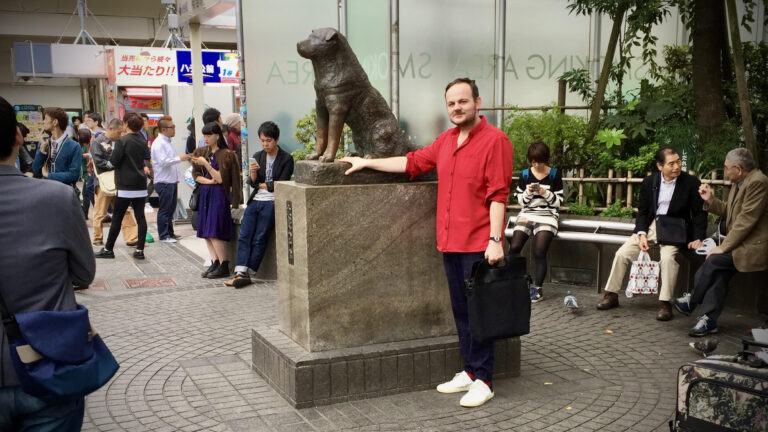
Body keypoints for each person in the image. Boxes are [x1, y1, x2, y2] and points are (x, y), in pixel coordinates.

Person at [342, 78, 513, 408]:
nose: (456, 108)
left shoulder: (495, 141)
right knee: (461, 312)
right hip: (449, 243)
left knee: (479, 312)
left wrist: (495, 240)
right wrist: (366, 161)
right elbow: (412, 162)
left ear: (478, 102)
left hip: (477, 243)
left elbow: (498, 195)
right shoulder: (446, 141)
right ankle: (470, 371)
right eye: (451, 103)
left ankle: (485, 379)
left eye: (463, 101)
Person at [0, 96, 95, 430]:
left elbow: (72, 171)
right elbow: (84, 272)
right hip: (49, 360)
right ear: (16, 136)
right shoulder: (56, 200)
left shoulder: (66, 149)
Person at [596, 146, 707, 321]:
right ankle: (611, 294)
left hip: (675, 230)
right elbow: (642, 211)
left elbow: (700, 213)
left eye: (678, 162)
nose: (677, 167)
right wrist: (641, 234)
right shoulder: (650, 182)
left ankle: (665, 303)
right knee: (622, 253)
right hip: (651, 227)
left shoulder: (691, 182)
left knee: (668, 259)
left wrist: (698, 238)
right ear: (660, 166)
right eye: (671, 164)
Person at [673, 148, 768, 336]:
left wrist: (722, 247)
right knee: (718, 273)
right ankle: (709, 320)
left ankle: (693, 300)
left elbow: (746, 220)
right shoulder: (739, 182)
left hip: (752, 247)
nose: (724, 171)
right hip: (739, 245)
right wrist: (710, 200)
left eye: (726, 168)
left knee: (715, 261)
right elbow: (729, 211)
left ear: (738, 169)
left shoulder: (758, 182)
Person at [225, 121, 294, 288]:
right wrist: (254, 174)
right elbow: (252, 183)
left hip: (271, 202)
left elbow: (281, 183)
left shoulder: (286, 158)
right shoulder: (258, 156)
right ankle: (240, 271)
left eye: (268, 140)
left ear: (276, 140)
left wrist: (264, 184)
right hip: (256, 201)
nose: (265, 144)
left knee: (260, 237)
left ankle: (248, 272)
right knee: (244, 235)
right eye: (262, 140)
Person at [509, 141, 564, 303]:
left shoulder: (554, 174)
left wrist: (544, 192)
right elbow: (521, 202)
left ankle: (537, 289)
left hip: (547, 215)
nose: (536, 165)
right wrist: (529, 192)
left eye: (539, 161)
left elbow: (559, 202)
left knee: (540, 251)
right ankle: (521, 280)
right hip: (527, 214)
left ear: (545, 159)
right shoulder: (525, 174)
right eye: (533, 161)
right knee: (514, 247)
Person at [95, 112, 151, 260]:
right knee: (140, 217)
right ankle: (140, 250)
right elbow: (146, 159)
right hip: (140, 184)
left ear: (126, 124)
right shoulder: (142, 140)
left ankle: (108, 249)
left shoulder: (122, 141)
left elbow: (113, 162)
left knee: (117, 217)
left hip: (125, 185)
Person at [192, 122, 243, 279]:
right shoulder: (201, 151)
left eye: (209, 135)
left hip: (219, 195)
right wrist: (208, 181)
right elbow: (196, 176)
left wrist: (206, 164)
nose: (206, 138)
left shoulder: (226, 154)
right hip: (206, 194)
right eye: (204, 135)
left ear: (217, 136)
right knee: (206, 232)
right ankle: (215, 262)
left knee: (214, 231)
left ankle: (224, 264)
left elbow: (221, 179)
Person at [90, 118, 139, 247]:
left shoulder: (120, 142)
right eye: (118, 132)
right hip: (104, 182)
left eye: (121, 133)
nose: (120, 135)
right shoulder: (97, 142)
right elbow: (98, 162)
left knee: (126, 210)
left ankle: (132, 238)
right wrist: (115, 164)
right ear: (110, 129)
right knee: (100, 211)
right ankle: (97, 237)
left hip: (119, 181)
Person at [150, 115, 190, 243]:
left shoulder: (166, 141)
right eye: (172, 127)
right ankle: (164, 235)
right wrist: (180, 158)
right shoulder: (159, 143)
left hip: (170, 180)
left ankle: (170, 233)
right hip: (164, 181)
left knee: (170, 209)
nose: (174, 129)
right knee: (165, 209)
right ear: (163, 129)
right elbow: (163, 162)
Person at [32, 107, 83, 189]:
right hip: (46, 191)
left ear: (55, 122)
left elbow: (74, 175)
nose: (43, 121)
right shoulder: (44, 143)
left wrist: (49, 175)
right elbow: (35, 171)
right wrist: (42, 152)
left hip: (65, 192)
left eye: (45, 118)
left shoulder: (74, 146)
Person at [77, 128, 95, 218]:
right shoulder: (84, 145)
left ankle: (101, 212)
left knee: (88, 192)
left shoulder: (89, 145)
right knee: (87, 193)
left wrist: (84, 155)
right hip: (87, 173)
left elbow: (91, 155)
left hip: (90, 173)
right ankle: (85, 214)